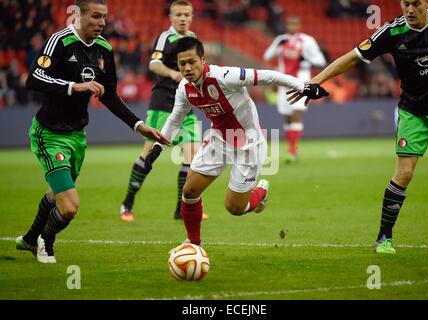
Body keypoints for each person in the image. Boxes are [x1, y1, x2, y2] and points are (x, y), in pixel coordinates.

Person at [288, 0, 428, 254]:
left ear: (427, 2)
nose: (409, 10)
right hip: (413, 112)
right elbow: (352, 57)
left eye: (415, 4)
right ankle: (384, 237)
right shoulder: (392, 32)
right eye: (405, 3)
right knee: (404, 174)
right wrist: (316, 80)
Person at [15, 0, 170, 264]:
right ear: (78, 15)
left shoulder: (104, 49)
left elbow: (110, 96)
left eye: (104, 17)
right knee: (69, 206)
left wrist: (139, 125)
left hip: (77, 136)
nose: (101, 22)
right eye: (95, 16)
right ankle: (46, 240)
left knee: (57, 193)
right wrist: (74, 86)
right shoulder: (59, 41)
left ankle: (30, 237)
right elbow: (34, 78)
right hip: (49, 134)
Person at [144, 37, 328, 246]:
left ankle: (261, 191)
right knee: (189, 191)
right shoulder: (184, 89)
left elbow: (267, 76)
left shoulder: (225, 76)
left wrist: (304, 86)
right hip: (219, 140)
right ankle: (193, 244)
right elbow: (175, 119)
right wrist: (157, 148)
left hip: (248, 144)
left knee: (234, 208)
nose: (187, 68)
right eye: (182, 63)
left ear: (203, 59)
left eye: (192, 61)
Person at [119, 0, 205, 222]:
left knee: (191, 158)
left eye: (187, 14)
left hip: (186, 102)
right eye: (179, 15)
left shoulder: (194, 39)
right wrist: (172, 73)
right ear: (171, 17)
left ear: (192, 16)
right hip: (163, 102)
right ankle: (127, 204)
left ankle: (180, 209)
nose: (183, 18)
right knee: (149, 153)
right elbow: (153, 64)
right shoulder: (165, 38)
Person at [263, 15, 326, 163]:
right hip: (284, 82)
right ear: (286, 24)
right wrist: (278, 46)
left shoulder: (307, 40)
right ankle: (292, 148)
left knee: (297, 113)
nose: (292, 26)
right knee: (288, 117)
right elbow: (267, 55)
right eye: (290, 23)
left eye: (295, 23)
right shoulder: (281, 40)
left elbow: (321, 61)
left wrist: (307, 58)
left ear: (299, 25)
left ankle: (291, 150)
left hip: (302, 81)